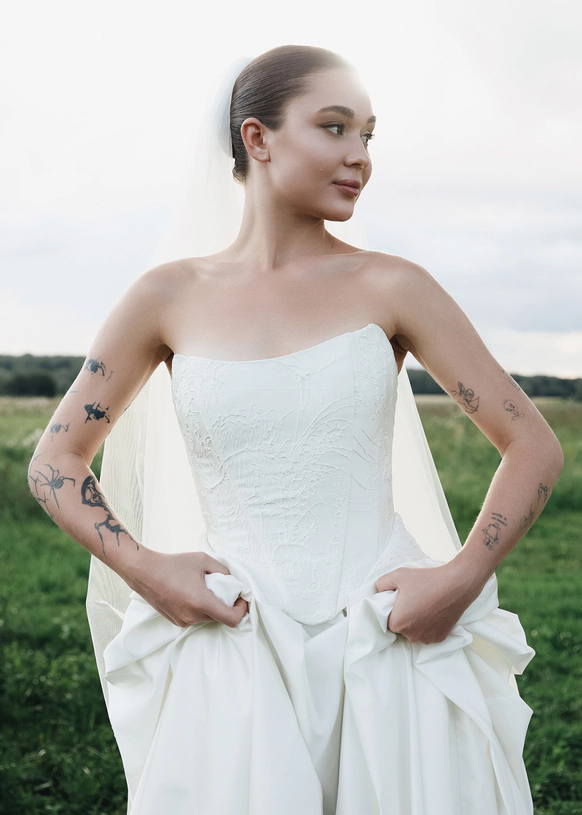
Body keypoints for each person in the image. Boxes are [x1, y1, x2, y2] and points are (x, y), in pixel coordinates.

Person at [29, 45, 563, 815]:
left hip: (387, 640)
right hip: (233, 646)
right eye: (335, 127)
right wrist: (147, 569)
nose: (360, 155)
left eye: (369, 135)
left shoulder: (394, 285)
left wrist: (459, 579)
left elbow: (533, 444)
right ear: (258, 137)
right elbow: (55, 459)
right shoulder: (166, 296)